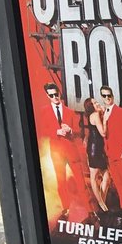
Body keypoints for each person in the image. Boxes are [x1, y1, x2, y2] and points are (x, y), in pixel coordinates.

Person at [36, 82, 86, 219]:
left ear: (59, 93)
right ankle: (66, 209)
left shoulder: (69, 111)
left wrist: (70, 130)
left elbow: (78, 131)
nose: (55, 97)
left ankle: (90, 209)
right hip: (56, 152)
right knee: (61, 181)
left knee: (81, 182)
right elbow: (42, 130)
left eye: (56, 94)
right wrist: (56, 131)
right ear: (48, 96)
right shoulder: (44, 111)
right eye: (51, 95)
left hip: (71, 151)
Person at [100, 86, 122, 218]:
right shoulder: (103, 113)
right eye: (104, 96)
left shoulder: (120, 111)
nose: (107, 98)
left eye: (109, 95)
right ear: (102, 97)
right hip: (109, 154)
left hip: (120, 154)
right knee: (119, 184)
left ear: (113, 96)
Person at [82, 98, 110, 213]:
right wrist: (105, 120)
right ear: (91, 107)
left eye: (96, 102)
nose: (97, 103)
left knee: (107, 177)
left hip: (98, 148)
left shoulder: (97, 114)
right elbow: (103, 132)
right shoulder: (94, 115)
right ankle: (100, 203)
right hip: (94, 149)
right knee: (93, 177)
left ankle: (101, 203)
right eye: (94, 103)